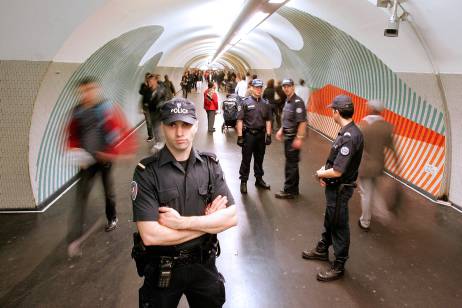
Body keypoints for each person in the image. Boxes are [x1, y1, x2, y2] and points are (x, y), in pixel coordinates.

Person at [131, 98, 237, 307]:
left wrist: (182, 223)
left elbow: (231, 217)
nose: (179, 133)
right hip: (163, 269)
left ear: (196, 126)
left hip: (204, 265)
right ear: (163, 126)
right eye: (172, 125)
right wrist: (208, 223)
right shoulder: (147, 172)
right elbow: (151, 235)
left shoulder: (210, 165)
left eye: (186, 125)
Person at [302, 95, 364, 282]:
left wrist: (321, 174)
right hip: (334, 187)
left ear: (337, 112)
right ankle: (322, 249)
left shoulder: (350, 137)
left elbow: (338, 171)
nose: (332, 113)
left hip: (339, 189)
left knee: (339, 225)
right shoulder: (347, 132)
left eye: (332, 110)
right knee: (331, 219)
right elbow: (334, 161)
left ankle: (339, 265)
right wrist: (325, 172)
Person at [66, 77, 120, 255]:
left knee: (108, 191)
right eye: (83, 90)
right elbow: (72, 135)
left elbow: (113, 131)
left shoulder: (104, 109)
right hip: (86, 162)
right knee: (80, 197)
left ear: (96, 89)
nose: (87, 93)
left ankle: (112, 217)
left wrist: (109, 153)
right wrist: (75, 151)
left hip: (104, 160)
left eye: (90, 89)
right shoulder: (77, 111)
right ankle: (75, 236)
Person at [358, 99, 399, 231]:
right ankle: (383, 214)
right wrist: (398, 165)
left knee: (365, 193)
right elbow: (392, 148)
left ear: (370, 109)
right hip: (379, 165)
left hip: (365, 165)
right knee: (373, 190)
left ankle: (365, 222)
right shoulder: (387, 126)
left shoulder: (364, 124)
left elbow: (356, 145)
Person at [236, 79, 272, 194]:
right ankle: (244, 181)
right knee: (246, 159)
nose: (259, 90)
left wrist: (269, 135)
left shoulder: (266, 103)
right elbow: (240, 120)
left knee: (259, 159)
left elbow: (268, 120)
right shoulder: (245, 102)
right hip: (248, 136)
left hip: (261, 136)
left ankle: (259, 179)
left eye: (260, 88)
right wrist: (240, 136)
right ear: (251, 88)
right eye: (256, 87)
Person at [275, 78, 307, 199]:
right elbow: (287, 119)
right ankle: (294, 189)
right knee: (291, 163)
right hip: (288, 136)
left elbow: (302, 122)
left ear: (293, 87)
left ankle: (289, 191)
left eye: (288, 86)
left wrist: (299, 138)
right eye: (284, 86)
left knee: (291, 165)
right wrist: (281, 129)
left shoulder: (298, 102)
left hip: (293, 137)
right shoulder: (288, 101)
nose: (286, 88)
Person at [147, 75, 168, 150]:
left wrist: (160, 105)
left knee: (157, 127)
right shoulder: (149, 89)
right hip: (152, 111)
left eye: (150, 81)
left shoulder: (161, 89)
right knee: (155, 127)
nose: (149, 82)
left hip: (159, 111)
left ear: (155, 81)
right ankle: (158, 142)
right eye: (148, 81)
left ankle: (160, 142)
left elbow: (165, 99)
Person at [139, 73, 154, 141]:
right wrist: (145, 86)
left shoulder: (153, 85)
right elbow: (141, 92)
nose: (147, 79)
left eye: (148, 77)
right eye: (146, 77)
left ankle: (156, 134)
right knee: (148, 122)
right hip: (145, 106)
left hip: (153, 106)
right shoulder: (143, 85)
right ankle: (150, 136)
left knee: (154, 121)